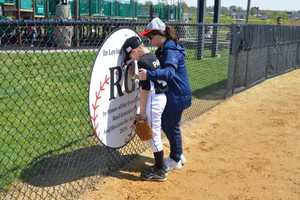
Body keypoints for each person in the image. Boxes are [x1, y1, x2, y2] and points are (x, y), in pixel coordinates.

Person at [139, 17, 192, 172]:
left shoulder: (170, 50)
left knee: (170, 126)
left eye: (151, 36)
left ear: (159, 34)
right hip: (176, 93)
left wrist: (148, 75)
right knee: (171, 126)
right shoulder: (164, 48)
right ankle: (179, 154)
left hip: (177, 95)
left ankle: (175, 158)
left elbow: (169, 73)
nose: (149, 39)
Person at [122, 36, 168, 181]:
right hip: (161, 96)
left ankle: (159, 170)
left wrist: (141, 113)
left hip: (153, 100)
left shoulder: (142, 61)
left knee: (153, 135)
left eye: (131, 55)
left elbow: (146, 90)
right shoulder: (152, 56)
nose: (132, 59)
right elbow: (150, 78)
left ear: (135, 51)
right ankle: (160, 165)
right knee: (155, 133)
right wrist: (136, 76)